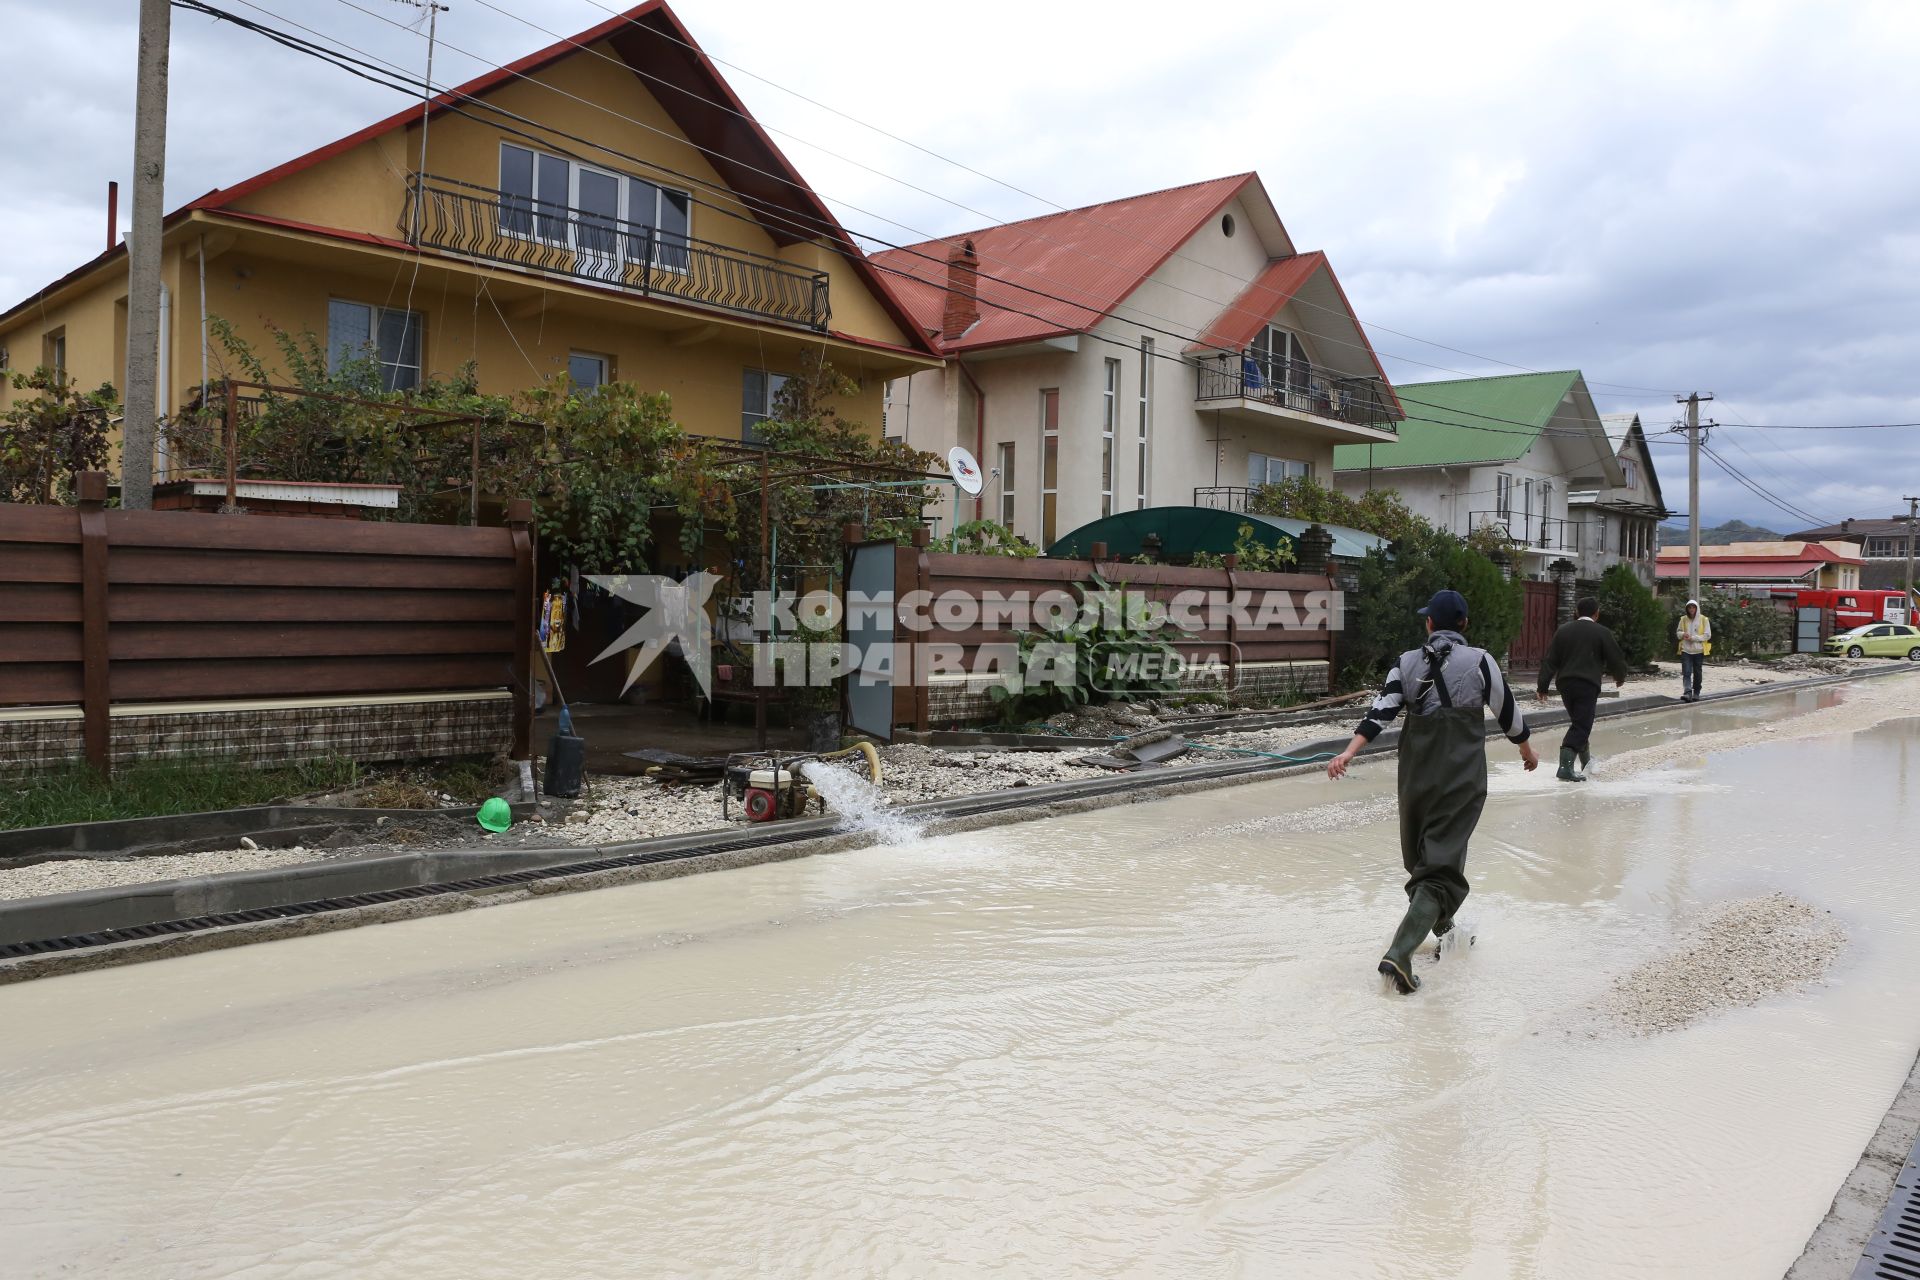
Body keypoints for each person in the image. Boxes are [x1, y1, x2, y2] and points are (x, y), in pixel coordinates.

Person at [1325, 589, 1539, 994]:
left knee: (1423, 858)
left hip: (1415, 776)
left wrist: (1348, 753)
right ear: (1464, 625)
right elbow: (1509, 715)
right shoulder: (1481, 661)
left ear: (1428, 624)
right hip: (1460, 776)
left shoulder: (1405, 662)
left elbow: (1380, 713)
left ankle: (1449, 935)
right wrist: (1527, 752)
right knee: (1440, 869)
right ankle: (1400, 955)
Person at [1536, 596, 1629, 782]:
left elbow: (1550, 660)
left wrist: (1542, 686)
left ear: (1577, 612)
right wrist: (1620, 677)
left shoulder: (1563, 630)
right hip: (1587, 684)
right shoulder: (1602, 632)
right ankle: (1565, 767)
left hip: (1565, 684)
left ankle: (1586, 762)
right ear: (1597, 614)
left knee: (1579, 721)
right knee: (1582, 725)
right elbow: (1616, 658)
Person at [1675, 598, 1711, 702]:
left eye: (1693, 607)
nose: (1691, 609)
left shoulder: (1704, 620)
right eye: (1689, 607)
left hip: (1698, 650)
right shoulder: (1683, 619)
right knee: (1686, 672)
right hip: (1686, 650)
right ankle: (1687, 692)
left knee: (1697, 673)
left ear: (1696, 608)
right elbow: (1678, 633)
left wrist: (1694, 638)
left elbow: (1707, 635)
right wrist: (1683, 634)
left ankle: (1696, 692)